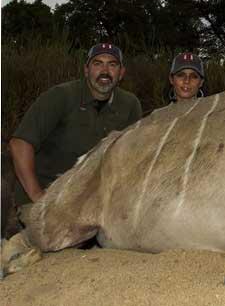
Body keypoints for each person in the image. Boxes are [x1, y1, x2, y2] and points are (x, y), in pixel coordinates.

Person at [9, 43, 142, 203]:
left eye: (112, 65)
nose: (105, 71)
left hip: (91, 200)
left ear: (121, 73)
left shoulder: (130, 104)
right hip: (47, 194)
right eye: (97, 63)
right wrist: (39, 199)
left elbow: (133, 157)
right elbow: (20, 144)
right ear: (86, 70)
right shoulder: (60, 96)